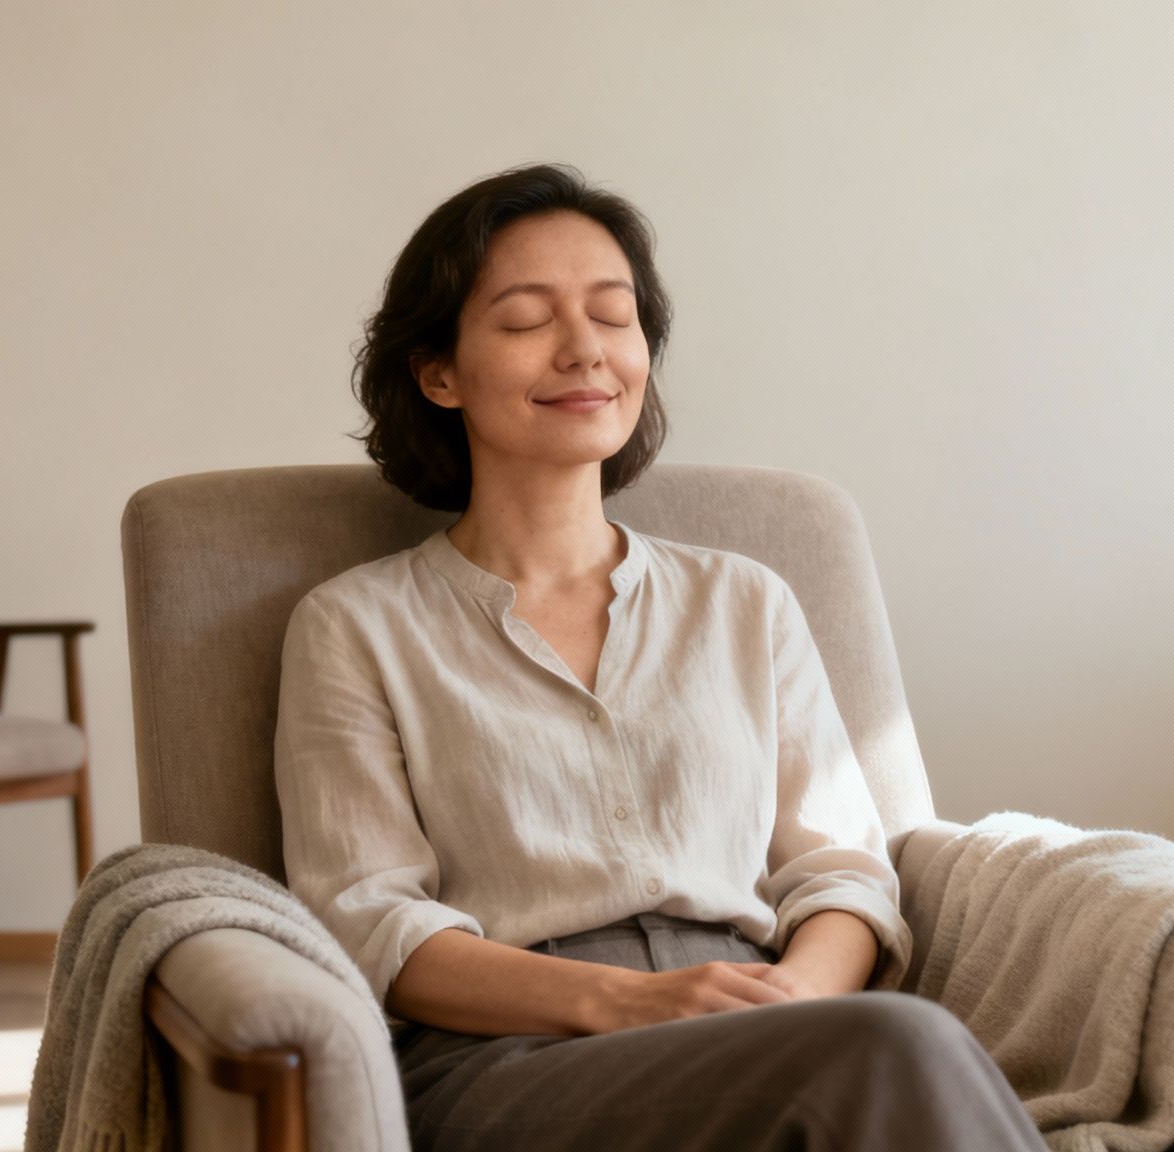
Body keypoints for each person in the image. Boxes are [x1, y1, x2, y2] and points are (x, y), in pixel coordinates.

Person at [272, 162, 1047, 1152]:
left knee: (889, 1046)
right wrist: (620, 1001)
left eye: (613, 314)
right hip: (504, 1057)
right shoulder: (353, 625)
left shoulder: (743, 601)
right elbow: (366, 917)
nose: (584, 349)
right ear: (438, 373)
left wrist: (797, 999)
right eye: (523, 320)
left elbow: (842, 872)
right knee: (895, 1052)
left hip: (768, 1023)